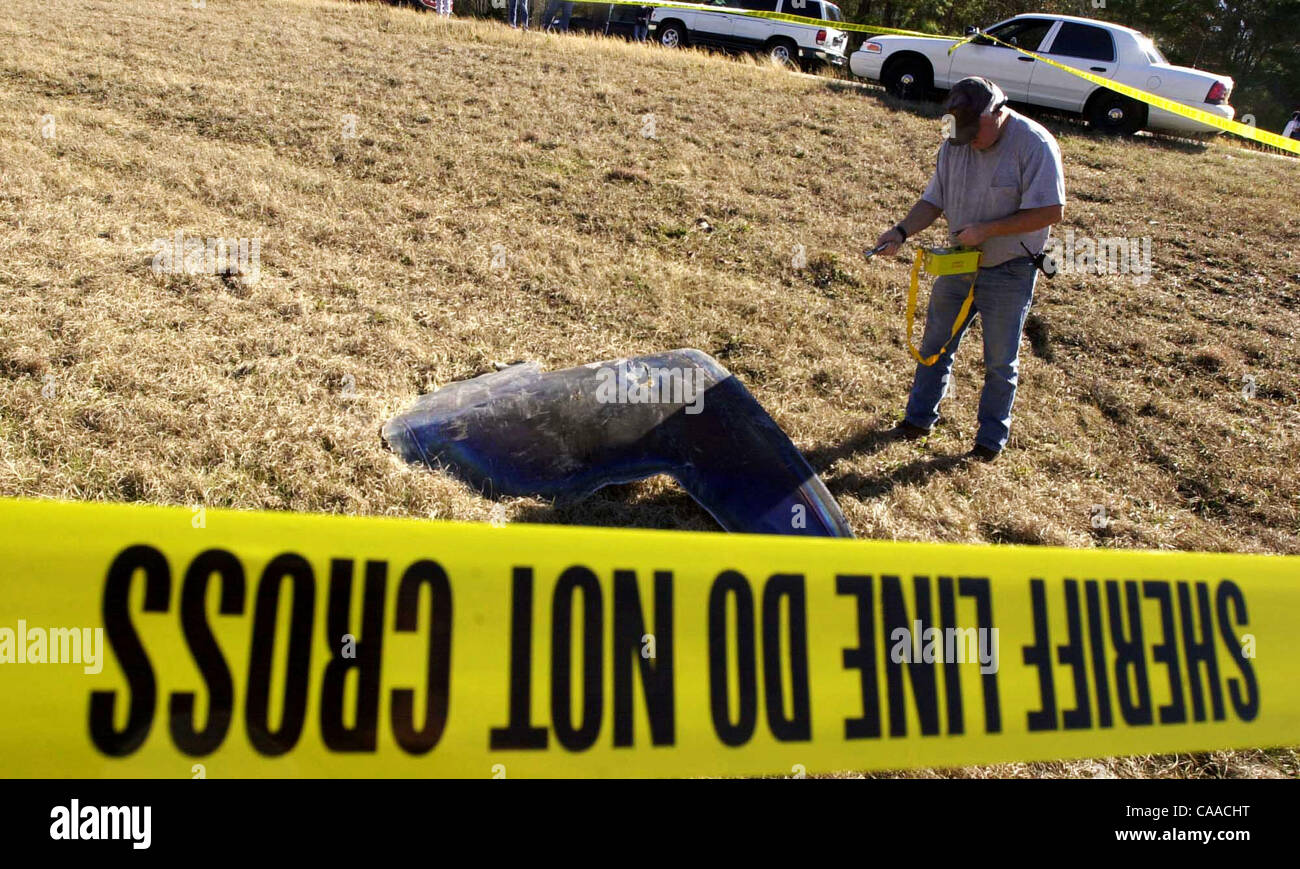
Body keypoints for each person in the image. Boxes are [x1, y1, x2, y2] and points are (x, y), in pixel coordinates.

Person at [873, 77, 1065, 462]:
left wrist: (988, 230)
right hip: (958, 262)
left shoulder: (1035, 143)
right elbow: (934, 199)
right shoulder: (954, 135)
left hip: (1009, 268)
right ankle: (917, 420)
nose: (970, 142)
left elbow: (1051, 211)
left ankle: (988, 444)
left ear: (997, 112)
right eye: (962, 134)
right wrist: (901, 230)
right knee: (935, 344)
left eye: (976, 132)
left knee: (999, 361)